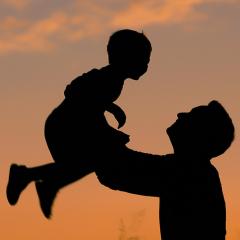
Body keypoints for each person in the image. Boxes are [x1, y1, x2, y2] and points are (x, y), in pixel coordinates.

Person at [6, 29, 152, 219]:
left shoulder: (111, 79)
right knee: (92, 160)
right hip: (64, 128)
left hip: (67, 127)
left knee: (84, 164)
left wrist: (109, 108)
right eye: (143, 59)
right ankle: (31, 178)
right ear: (125, 57)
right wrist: (108, 130)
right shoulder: (109, 78)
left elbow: (89, 102)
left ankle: (45, 183)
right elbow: (77, 94)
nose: (146, 65)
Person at [95, 100, 235, 240]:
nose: (180, 114)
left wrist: (92, 109)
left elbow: (114, 169)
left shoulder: (189, 172)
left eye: (191, 115)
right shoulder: (195, 170)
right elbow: (115, 168)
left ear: (200, 134)